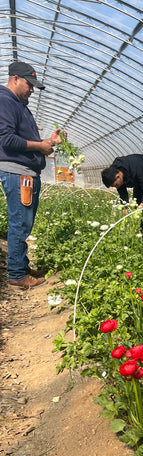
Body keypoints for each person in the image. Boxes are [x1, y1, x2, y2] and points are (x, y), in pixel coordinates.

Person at [0, 62, 63, 288]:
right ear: (15, 78)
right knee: (20, 223)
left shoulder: (19, 104)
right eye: (30, 84)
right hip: (18, 174)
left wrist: (50, 142)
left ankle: (22, 266)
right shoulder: (5, 100)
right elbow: (5, 139)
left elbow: (23, 139)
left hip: (25, 173)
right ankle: (17, 274)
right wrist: (40, 146)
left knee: (24, 222)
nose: (32, 90)